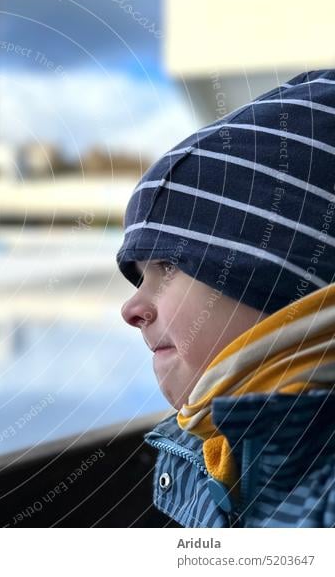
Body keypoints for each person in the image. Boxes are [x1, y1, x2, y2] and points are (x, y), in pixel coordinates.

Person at [116, 69, 335, 527]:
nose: (132, 308)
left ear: (284, 277)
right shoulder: (198, 451)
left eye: (168, 268)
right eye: (138, 278)